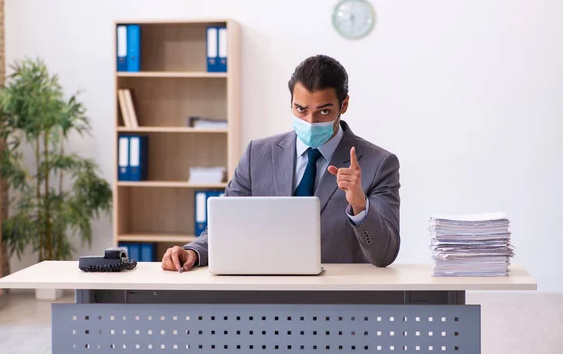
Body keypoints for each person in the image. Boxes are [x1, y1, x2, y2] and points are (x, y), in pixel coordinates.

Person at [161, 54, 401, 271]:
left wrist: (360, 205)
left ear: (343, 105)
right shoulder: (259, 154)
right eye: (301, 109)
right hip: (267, 296)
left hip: (338, 302)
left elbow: (384, 255)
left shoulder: (378, 164)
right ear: (291, 103)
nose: (310, 120)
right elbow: (226, 224)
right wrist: (194, 251)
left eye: (324, 112)